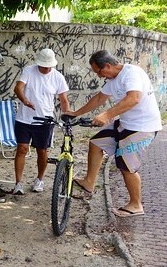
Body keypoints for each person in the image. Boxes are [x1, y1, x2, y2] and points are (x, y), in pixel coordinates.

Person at [65, 50, 162, 217]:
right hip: (125, 124)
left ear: (108, 66)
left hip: (143, 128)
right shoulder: (113, 78)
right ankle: (89, 182)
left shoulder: (132, 74)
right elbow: (99, 99)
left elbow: (134, 98)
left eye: (99, 71)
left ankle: (136, 205)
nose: (99, 76)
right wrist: (76, 113)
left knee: (125, 165)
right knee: (95, 143)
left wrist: (107, 115)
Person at [12, 48, 70, 195]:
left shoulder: (58, 77)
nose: (45, 68)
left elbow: (64, 99)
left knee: (42, 151)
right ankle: (18, 182)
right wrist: (24, 100)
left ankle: (39, 179)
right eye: (43, 65)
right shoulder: (29, 70)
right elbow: (18, 88)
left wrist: (67, 116)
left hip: (45, 120)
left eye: (48, 66)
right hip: (24, 118)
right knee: (22, 149)